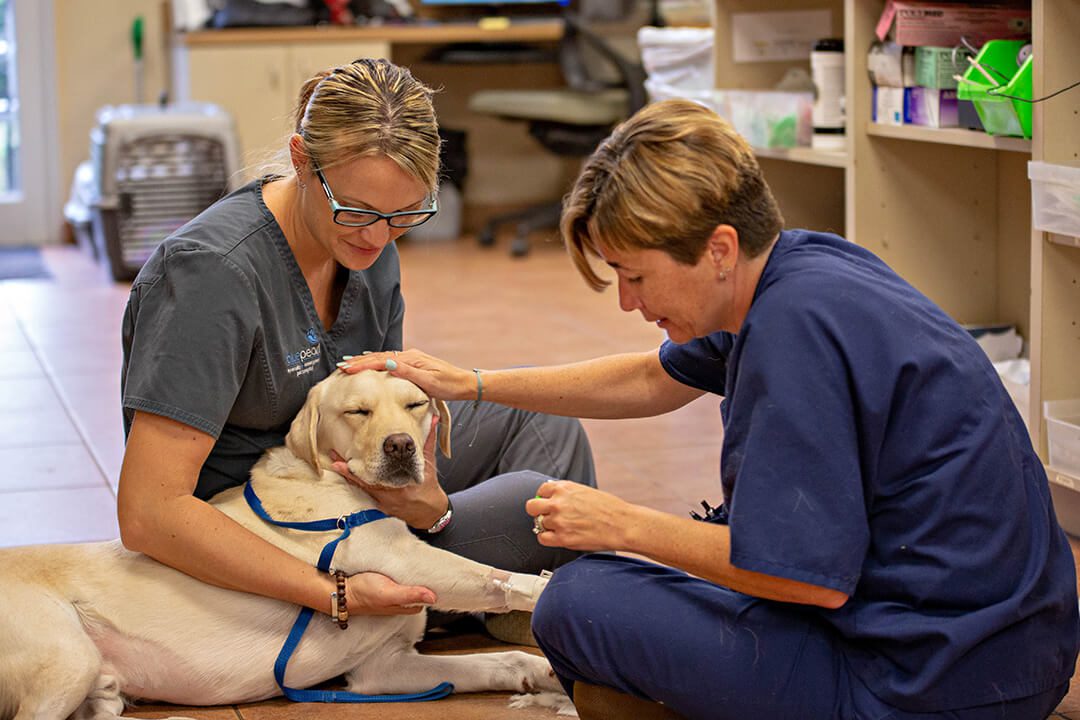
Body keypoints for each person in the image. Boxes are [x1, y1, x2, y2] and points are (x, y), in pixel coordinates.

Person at [344, 98, 1080, 718]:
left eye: (636, 276)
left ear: (719, 248)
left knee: (578, 602)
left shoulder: (791, 338)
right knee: (639, 583)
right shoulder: (805, 267)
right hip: (1009, 645)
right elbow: (649, 381)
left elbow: (805, 579)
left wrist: (623, 525)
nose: (630, 302)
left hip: (931, 684)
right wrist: (471, 381)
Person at [117, 58, 594, 631]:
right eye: (358, 210)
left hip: (348, 482)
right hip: (270, 518)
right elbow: (148, 513)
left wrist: (428, 502)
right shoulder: (211, 275)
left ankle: (485, 599)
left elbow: (383, 412)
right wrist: (333, 592)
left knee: (545, 427)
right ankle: (494, 601)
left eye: (405, 213)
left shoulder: (367, 250)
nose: (377, 235)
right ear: (300, 159)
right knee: (532, 499)